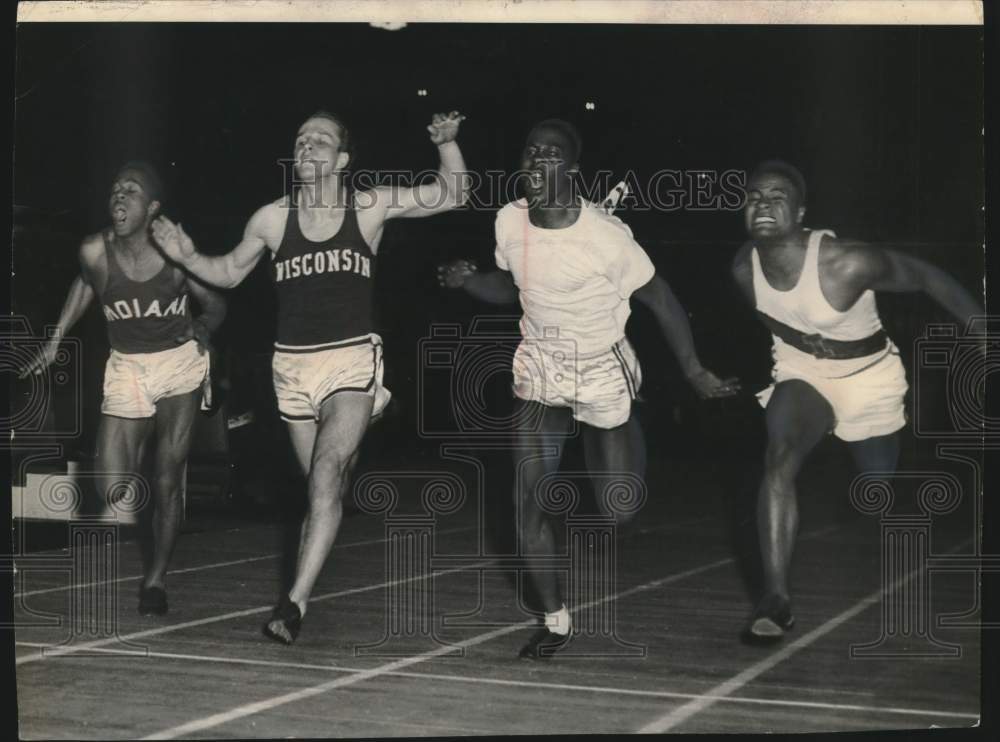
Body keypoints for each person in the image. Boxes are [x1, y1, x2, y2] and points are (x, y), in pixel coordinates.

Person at [151, 110, 469, 644]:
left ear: (343, 160)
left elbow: (451, 193)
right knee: (324, 484)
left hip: (351, 358)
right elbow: (229, 272)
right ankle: (344, 472)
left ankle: (294, 603)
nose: (308, 146)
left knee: (325, 474)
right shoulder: (272, 219)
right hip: (292, 369)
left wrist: (448, 146)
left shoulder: (367, 206)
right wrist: (186, 255)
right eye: (301, 139)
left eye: (321, 140)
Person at [439, 119, 739, 659]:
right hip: (539, 366)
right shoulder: (508, 220)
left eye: (550, 154)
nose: (535, 160)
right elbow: (511, 288)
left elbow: (663, 300)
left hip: (603, 367)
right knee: (527, 504)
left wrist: (694, 372)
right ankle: (555, 621)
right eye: (529, 151)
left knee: (619, 506)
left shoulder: (605, 236)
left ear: (572, 170)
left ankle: (630, 420)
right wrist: (468, 282)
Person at [731, 160, 982, 644]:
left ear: (801, 211)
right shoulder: (743, 268)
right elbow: (776, 317)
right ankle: (777, 598)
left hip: (870, 377)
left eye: (777, 195)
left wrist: (983, 333)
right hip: (804, 373)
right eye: (754, 195)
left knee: (875, 487)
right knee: (779, 457)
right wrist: (811, 346)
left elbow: (929, 278)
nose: (763, 203)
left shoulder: (846, 262)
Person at [19, 161, 226, 616]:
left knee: (168, 479)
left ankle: (155, 580)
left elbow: (216, 303)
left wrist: (204, 328)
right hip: (128, 365)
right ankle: (136, 437)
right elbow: (85, 284)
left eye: (131, 191)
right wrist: (55, 341)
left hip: (177, 364)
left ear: (152, 207)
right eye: (115, 189)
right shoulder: (95, 250)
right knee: (111, 488)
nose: (119, 196)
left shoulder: (174, 256)